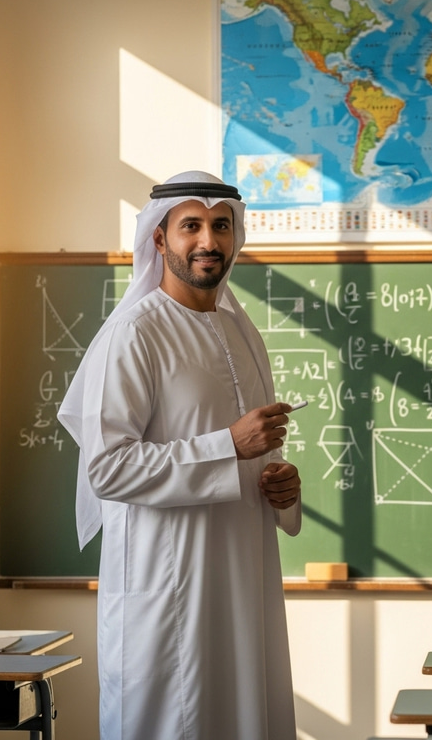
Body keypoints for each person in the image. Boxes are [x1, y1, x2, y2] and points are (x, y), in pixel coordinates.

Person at [58, 170, 302, 740]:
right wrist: (228, 446)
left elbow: (254, 453)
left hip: (244, 583)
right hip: (167, 588)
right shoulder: (135, 333)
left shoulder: (242, 332)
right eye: (191, 226)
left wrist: (280, 486)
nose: (208, 241)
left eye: (221, 226)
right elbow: (107, 468)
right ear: (160, 239)